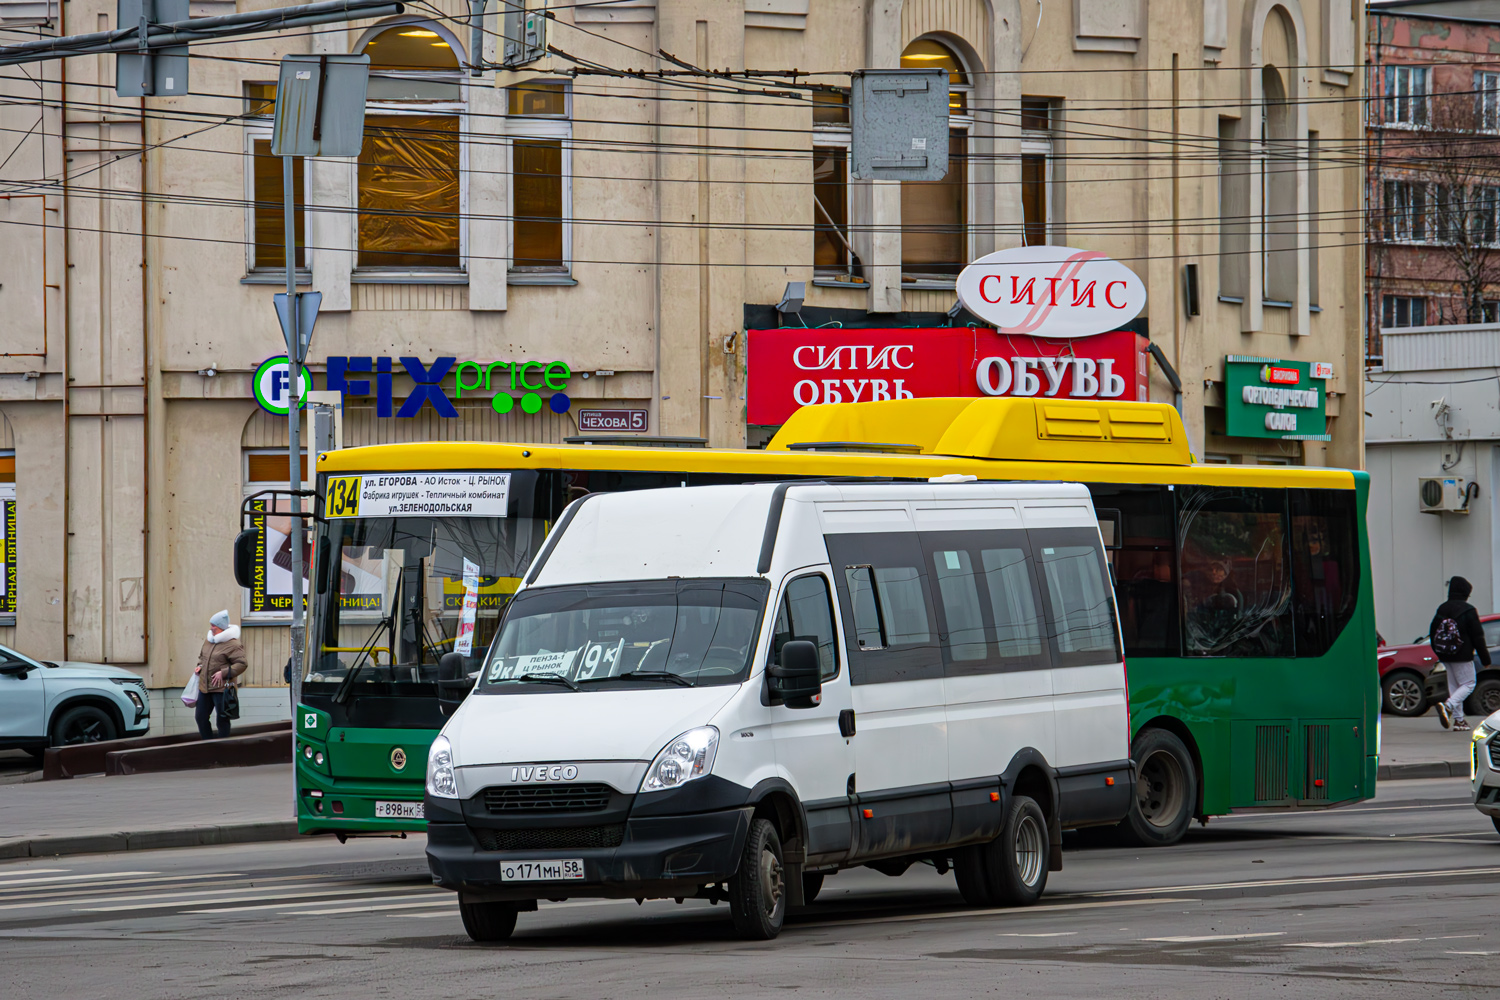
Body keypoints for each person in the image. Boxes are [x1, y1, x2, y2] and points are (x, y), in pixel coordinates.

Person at [1428, 576, 1490, 732]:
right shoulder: (1468, 610)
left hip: (1445, 654)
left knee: (1455, 686)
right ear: (1465, 593)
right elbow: (1478, 636)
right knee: (1469, 684)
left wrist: (1439, 652)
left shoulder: (1442, 608)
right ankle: (1447, 706)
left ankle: (1459, 720)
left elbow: (1433, 631)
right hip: (1462, 654)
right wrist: (1485, 659)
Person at [195, 609, 248, 739]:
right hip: (205, 687)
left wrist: (224, 673)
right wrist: (199, 666)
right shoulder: (209, 641)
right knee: (200, 717)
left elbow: (242, 664)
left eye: (214, 625)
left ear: (221, 627)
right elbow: (202, 657)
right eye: (211, 625)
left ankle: (223, 746)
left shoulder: (233, 644)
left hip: (222, 689)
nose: (211, 628)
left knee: (222, 719)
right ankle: (208, 743)